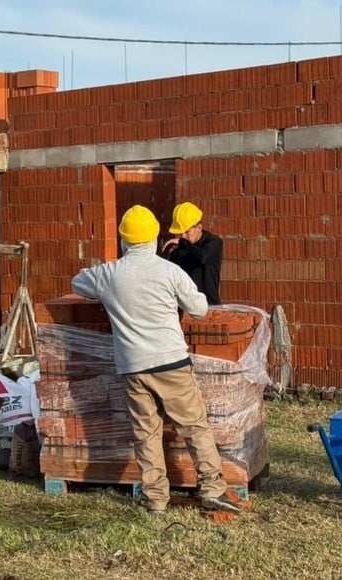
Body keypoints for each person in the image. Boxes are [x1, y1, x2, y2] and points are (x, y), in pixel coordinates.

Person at [71, 205, 240, 516]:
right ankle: (213, 490)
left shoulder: (109, 275)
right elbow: (200, 308)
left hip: (132, 368)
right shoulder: (168, 271)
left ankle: (155, 501)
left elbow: (78, 282)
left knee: (146, 435)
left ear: (123, 241)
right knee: (194, 427)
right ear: (154, 239)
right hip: (171, 362)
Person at [161, 201, 223, 305]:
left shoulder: (214, 242)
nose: (183, 236)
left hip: (209, 306)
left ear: (199, 227)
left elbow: (203, 257)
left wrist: (183, 243)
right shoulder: (180, 249)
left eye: (186, 232)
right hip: (185, 307)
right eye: (180, 233)